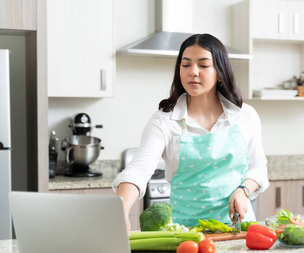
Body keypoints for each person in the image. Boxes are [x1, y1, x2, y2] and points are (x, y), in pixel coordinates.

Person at [112, 33, 269, 233]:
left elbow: (258, 168)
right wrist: (121, 212)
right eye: (186, 65)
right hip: (185, 235)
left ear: (220, 72)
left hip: (238, 231)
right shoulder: (165, 120)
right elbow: (138, 171)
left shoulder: (244, 115)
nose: (193, 72)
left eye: (203, 65)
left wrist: (243, 190)